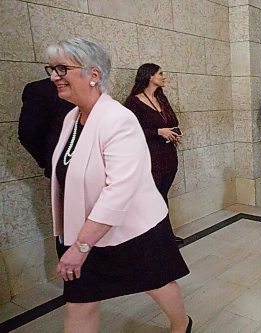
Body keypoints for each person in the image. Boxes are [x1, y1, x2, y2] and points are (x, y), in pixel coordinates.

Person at [46, 37, 191, 333]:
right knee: (80, 303)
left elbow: (118, 190)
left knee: (157, 284)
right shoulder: (72, 117)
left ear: (94, 75)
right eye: (51, 68)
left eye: (62, 68)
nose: (53, 76)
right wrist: (78, 241)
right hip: (84, 233)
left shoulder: (118, 119)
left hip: (132, 228)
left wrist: (81, 245)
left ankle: (181, 324)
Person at [124, 63, 185, 244]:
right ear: (150, 76)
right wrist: (158, 132)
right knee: (154, 198)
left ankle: (163, 236)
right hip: (151, 157)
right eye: (160, 73)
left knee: (162, 195)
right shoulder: (133, 103)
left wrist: (173, 132)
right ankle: (158, 238)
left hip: (168, 155)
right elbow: (129, 131)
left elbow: (173, 120)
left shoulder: (161, 98)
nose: (164, 77)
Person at [18, 78, 74, 178]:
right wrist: (52, 160)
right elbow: (28, 135)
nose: (53, 75)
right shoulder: (41, 90)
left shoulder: (98, 95)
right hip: (63, 172)